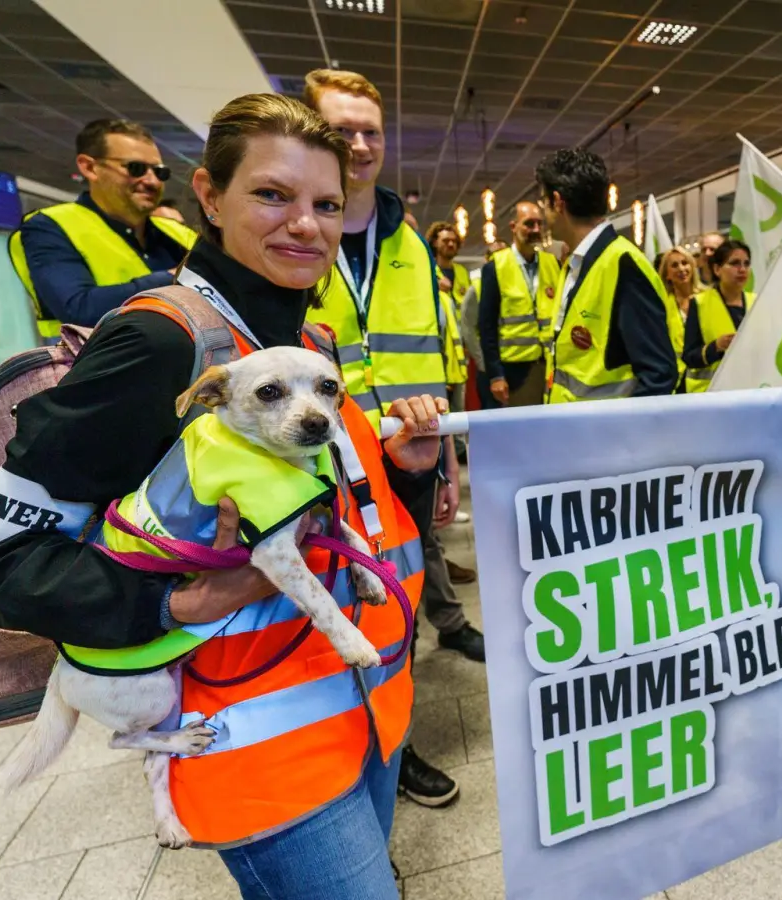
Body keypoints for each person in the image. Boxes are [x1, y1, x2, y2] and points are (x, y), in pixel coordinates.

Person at [0, 93, 437, 899]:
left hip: (363, 706)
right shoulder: (160, 341)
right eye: (272, 195)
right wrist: (173, 605)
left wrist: (405, 466)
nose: (305, 225)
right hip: (254, 746)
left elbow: (308, 500)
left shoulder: (302, 345)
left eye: (326, 204)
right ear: (207, 195)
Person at [301, 68, 472, 811]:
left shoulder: (409, 243)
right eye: (343, 129)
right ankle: (362, 752)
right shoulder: (296, 233)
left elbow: (434, 353)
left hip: (405, 461)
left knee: (394, 597)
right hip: (318, 460)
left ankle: (393, 741)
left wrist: (449, 465)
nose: (361, 143)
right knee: (333, 605)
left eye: (372, 129)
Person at [10, 118, 197, 341]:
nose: (152, 181)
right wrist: (174, 278)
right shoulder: (50, 226)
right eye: (136, 168)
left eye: (160, 172)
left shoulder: (176, 233)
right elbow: (78, 309)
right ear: (90, 167)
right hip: (102, 368)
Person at [537, 148, 682, 401]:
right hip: (571, 430)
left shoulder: (623, 264)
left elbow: (659, 374)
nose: (543, 215)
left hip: (603, 436)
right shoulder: (576, 263)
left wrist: (621, 437)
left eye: (544, 202)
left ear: (558, 202)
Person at [478, 201, 563, 408]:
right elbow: (486, 327)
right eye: (529, 224)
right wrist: (495, 375)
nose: (535, 229)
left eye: (539, 224)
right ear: (513, 226)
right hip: (515, 370)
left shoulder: (553, 263)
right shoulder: (495, 267)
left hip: (551, 366)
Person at [683, 240, 754, 392]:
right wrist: (716, 347)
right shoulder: (699, 303)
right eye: (734, 263)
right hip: (713, 395)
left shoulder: (756, 301)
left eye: (746, 264)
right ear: (717, 269)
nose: (742, 269)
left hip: (752, 391)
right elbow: (689, 357)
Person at [427, 221, 471, 422]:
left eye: (454, 241)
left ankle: (461, 454)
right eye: (446, 240)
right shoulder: (428, 273)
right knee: (440, 418)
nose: (451, 244)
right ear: (435, 243)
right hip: (439, 356)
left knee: (460, 418)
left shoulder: (462, 273)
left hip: (461, 354)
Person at [657, 246, 699, 321]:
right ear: (667, 274)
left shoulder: (708, 296)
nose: (681, 269)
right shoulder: (663, 306)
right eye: (674, 265)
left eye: (684, 263)